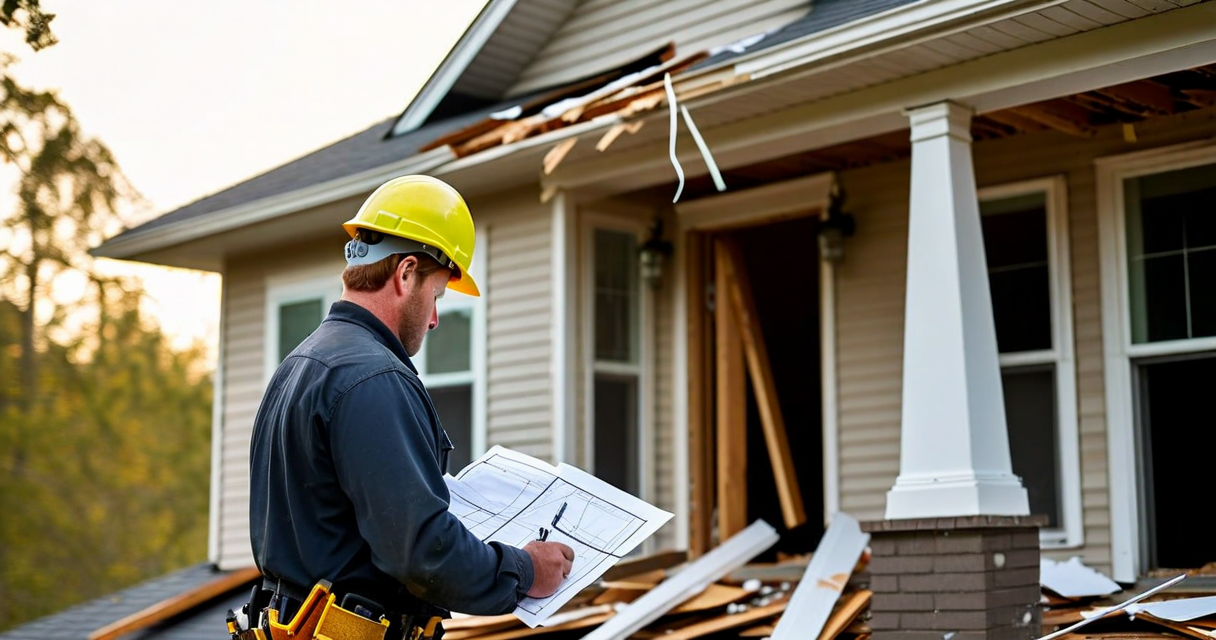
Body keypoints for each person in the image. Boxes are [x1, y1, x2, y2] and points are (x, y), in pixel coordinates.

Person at [247, 175, 574, 639]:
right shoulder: (373, 378)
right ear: (404, 274)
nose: (436, 317)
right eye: (437, 295)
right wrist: (523, 569)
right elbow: (423, 552)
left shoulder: (300, 365)